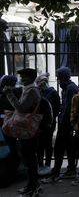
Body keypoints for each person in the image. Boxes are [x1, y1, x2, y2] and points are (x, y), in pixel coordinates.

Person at [4, 68, 42, 196]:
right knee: (29, 157)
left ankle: (32, 186)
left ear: (30, 78)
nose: (21, 79)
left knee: (29, 158)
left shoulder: (31, 91)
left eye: (24, 77)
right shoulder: (29, 89)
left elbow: (20, 107)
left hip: (28, 130)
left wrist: (9, 94)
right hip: (27, 129)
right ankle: (33, 184)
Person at [43, 67, 79, 183]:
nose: (57, 79)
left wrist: (63, 123)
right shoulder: (67, 87)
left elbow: (69, 108)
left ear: (64, 76)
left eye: (59, 76)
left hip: (66, 124)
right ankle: (71, 169)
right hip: (65, 122)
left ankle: (56, 173)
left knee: (59, 148)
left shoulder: (70, 88)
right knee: (69, 147)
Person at [35, 73, 60, 176]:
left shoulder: (51, 93)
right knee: (42, 146)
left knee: (46, 145)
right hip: (43, 123)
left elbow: (57, 108)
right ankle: (42, 165)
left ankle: (46, 165)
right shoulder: (41, 92)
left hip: (47, 123)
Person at [0, 75, 22, 189]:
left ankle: (9, 176)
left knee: (10, 152)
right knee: (10, 152)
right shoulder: (10, 94)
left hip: (8, 127)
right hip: (7, 128)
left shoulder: (11, 93)